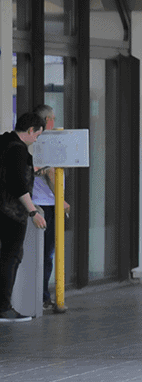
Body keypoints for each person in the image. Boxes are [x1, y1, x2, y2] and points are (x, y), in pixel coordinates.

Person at [0, 113, 47, 323]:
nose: (36, 139)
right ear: (30, 130)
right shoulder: (18, 150)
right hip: (11, 212)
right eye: (37, 134)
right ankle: (3, 307)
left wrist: (33, 170)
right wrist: (33, 212)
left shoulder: (4, 142)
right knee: (10, 257)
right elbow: (17, 183)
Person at [31, 105, 70, 310]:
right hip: (46, 204)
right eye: (52, 118)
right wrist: (61, 198)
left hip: (36, 203)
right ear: (46, 120)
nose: (54, 122)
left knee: (40, 253)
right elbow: (52, 173)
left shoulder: (32, 141)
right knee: (46, 254)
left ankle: (38, 295)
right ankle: (43, 296)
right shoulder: (45, 141)